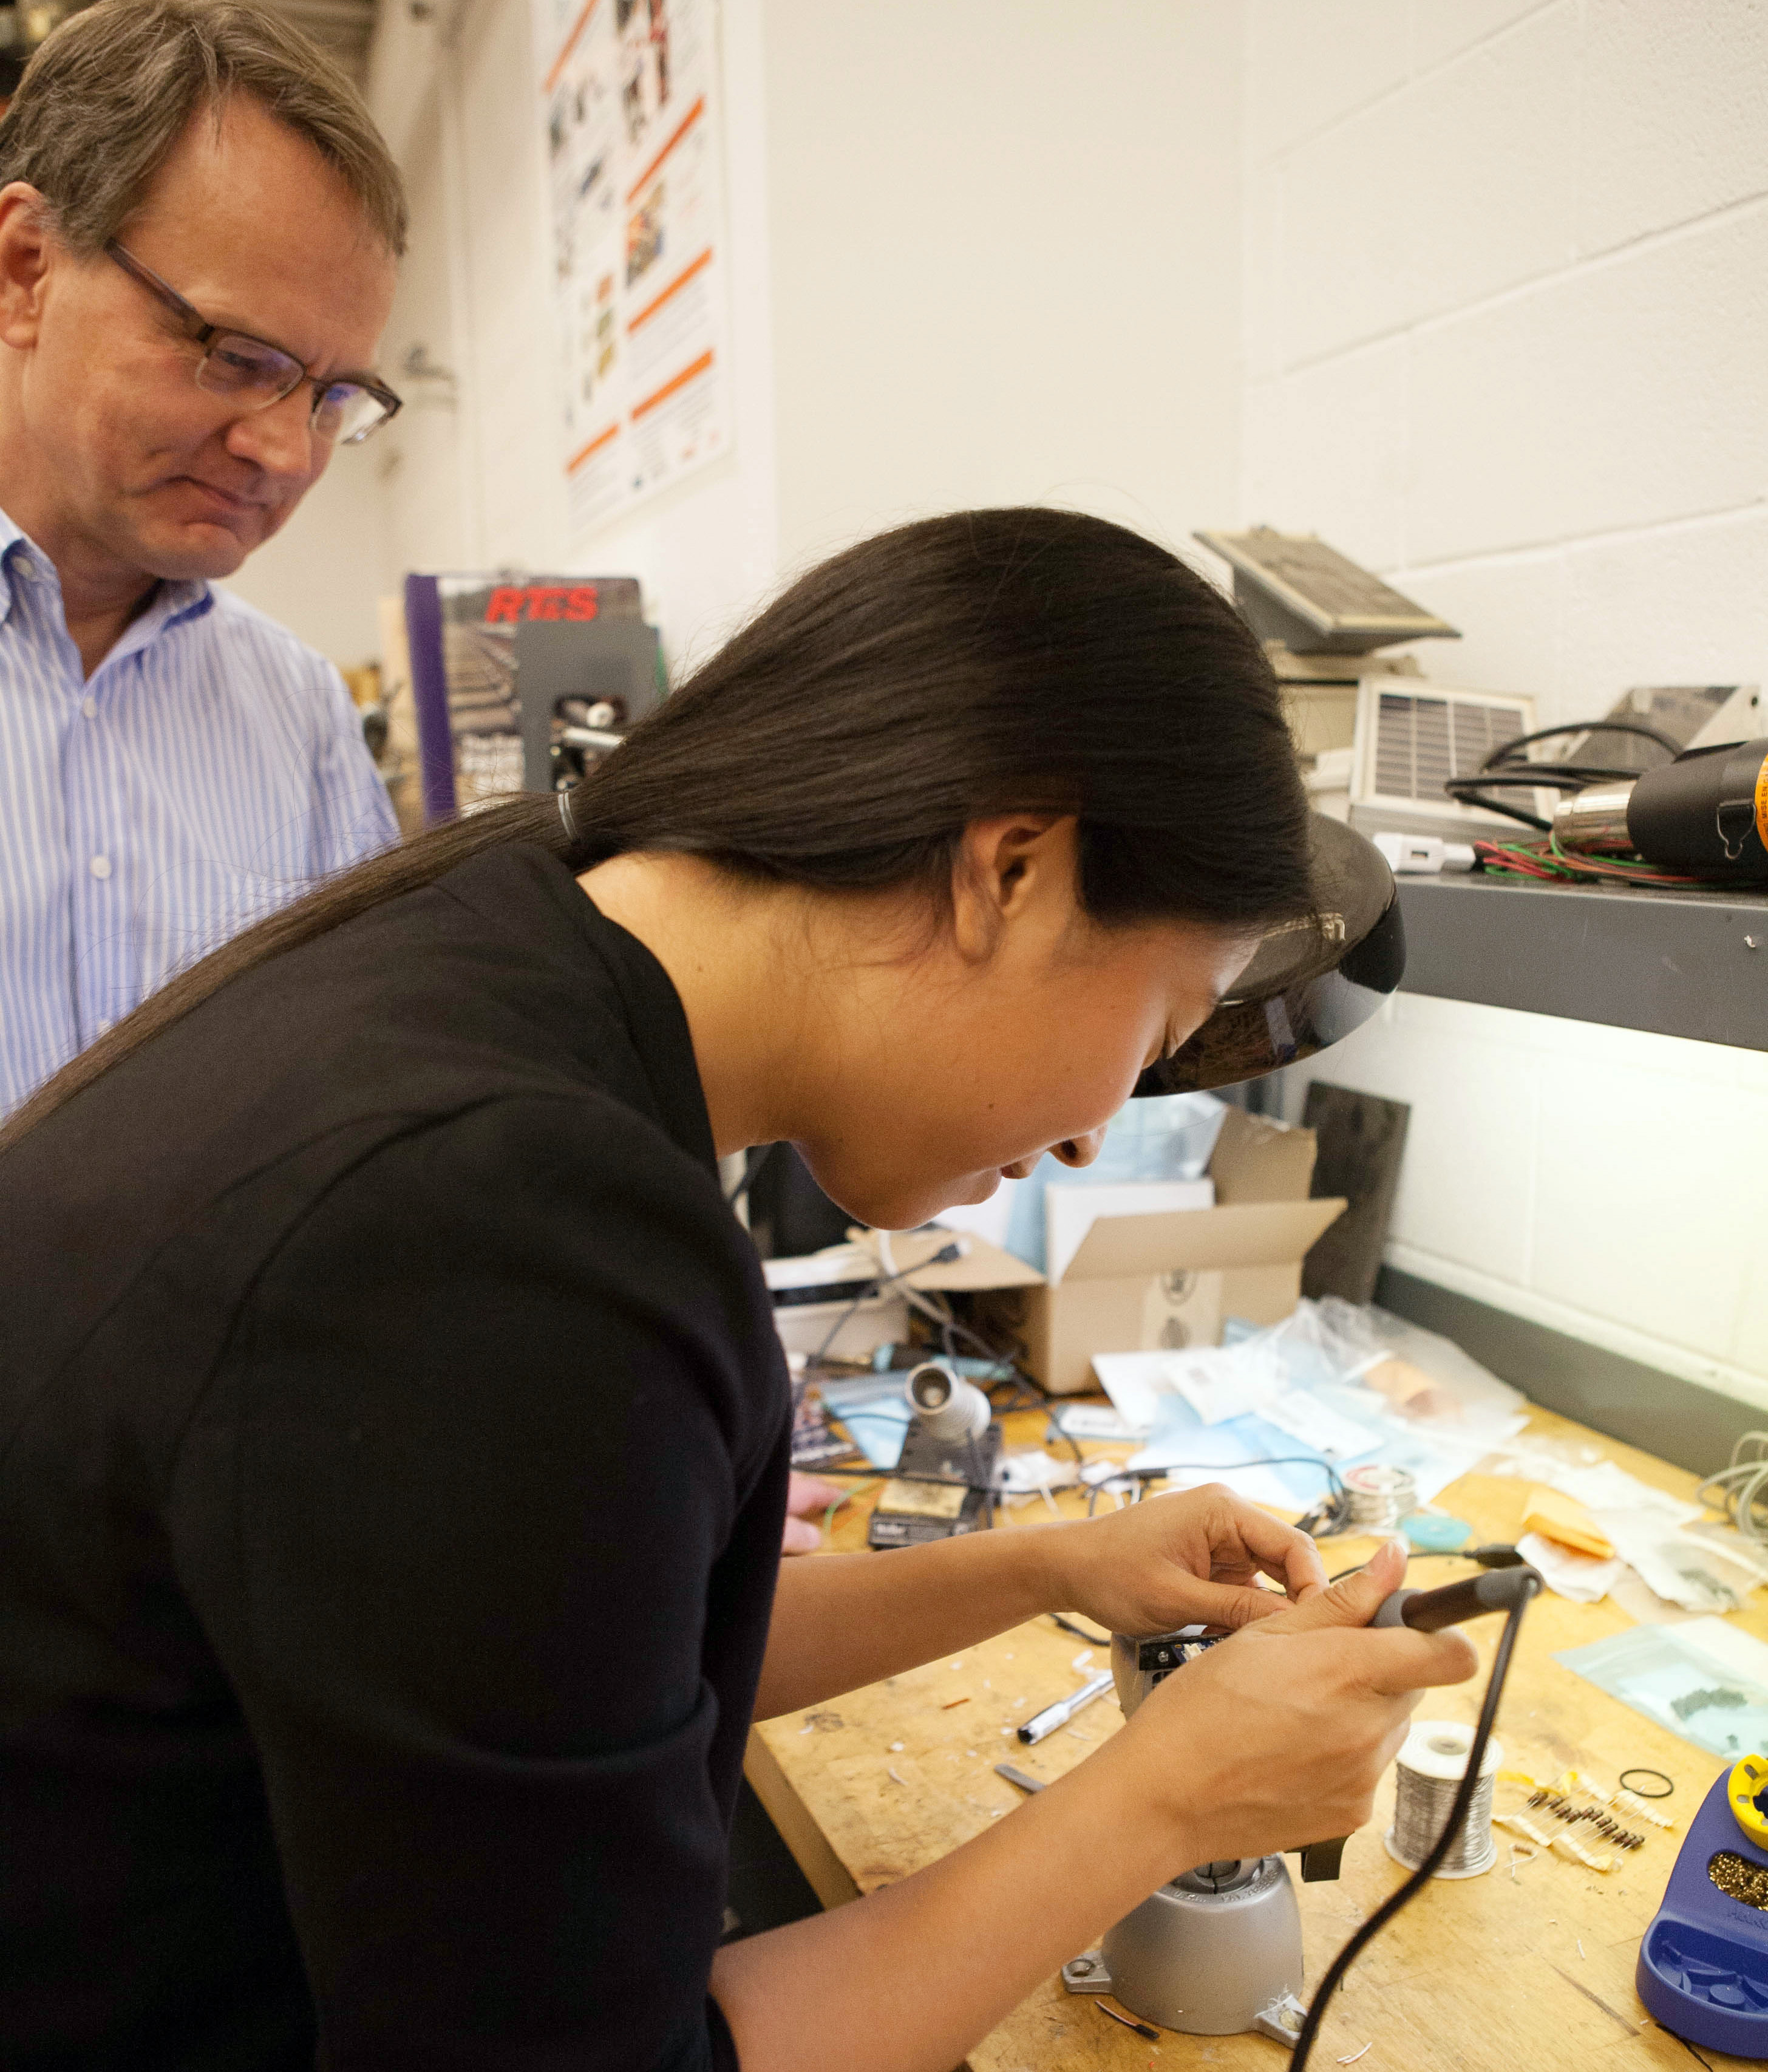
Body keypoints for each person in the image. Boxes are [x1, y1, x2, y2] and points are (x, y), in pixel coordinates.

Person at [0, 508, 1475, 2072]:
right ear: (1011, 870)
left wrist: (1052, 1564)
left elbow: (558, 1662)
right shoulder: (505, 1226)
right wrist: (1170, 1795)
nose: (1091, 1133)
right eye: (1158, 1025)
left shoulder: (497, 952)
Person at [0, 0, 407, 1117]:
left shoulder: (301, 718)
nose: (284, 450)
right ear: (28, 270)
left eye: (331, 397)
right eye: (235, 356)